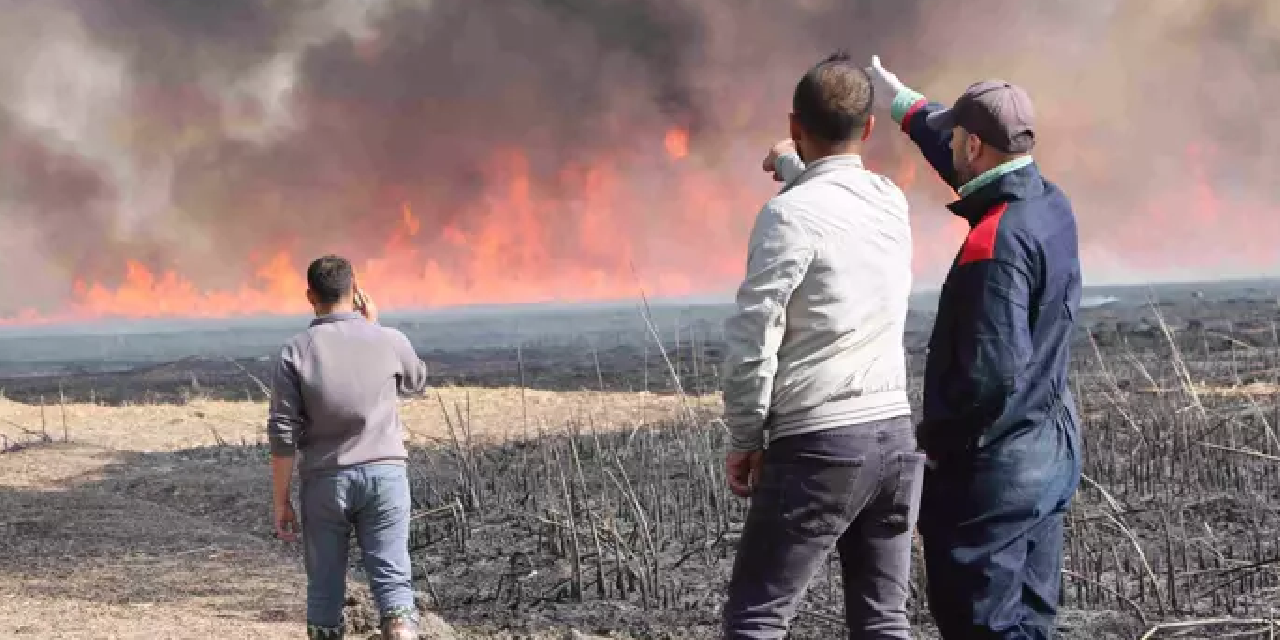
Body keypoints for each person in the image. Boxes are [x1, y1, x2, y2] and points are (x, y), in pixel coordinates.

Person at [865, 55, 1083, 638]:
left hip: (995, 471)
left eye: (957, 137)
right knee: (1029, 624)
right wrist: (903, 104)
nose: (953, 145)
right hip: (1048, 453)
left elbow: (990, 373)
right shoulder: (1048, 203)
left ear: (976, 148)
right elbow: (972, 169)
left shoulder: (996, 242)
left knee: (980, 625)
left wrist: (932, 450)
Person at [720, 51, 924, 639]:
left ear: (793, 124)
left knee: (758, 616)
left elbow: (752, 338)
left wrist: (745, 437)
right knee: (885, 618)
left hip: (819, 443)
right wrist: (794, 166)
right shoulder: (890, 201)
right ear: (868, 129)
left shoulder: (786, 218)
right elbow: (836, 201)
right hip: (894, 437)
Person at [267, 255, 429, 640]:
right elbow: (416, 381)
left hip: (325, 482)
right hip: (386, 477)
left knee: (324, 590)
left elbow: (282, 431)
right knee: (393, 587)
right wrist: (373, 328)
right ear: (355, 291)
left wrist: (281, 499)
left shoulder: (296, 351)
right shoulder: (389, 340)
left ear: (310, 296)